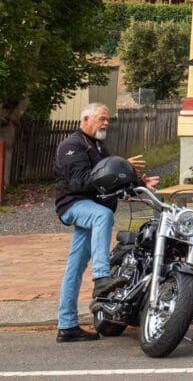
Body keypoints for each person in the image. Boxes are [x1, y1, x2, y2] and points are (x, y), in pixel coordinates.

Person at [54, 103, 158, 343]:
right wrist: (118, 165)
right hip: (74, 205)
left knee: (74, 267)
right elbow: (80, 182)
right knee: (103, 215)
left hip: (92, 208)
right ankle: (102, 278)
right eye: (102, 118)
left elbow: (112, 178)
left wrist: (138, 181)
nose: (106, 122)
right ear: (86, 119)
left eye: (108, 119)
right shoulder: (72, 145)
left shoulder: (99, 146)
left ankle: (67, 325)